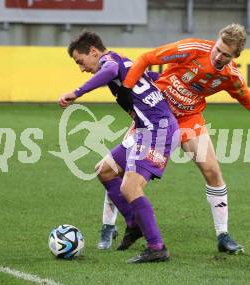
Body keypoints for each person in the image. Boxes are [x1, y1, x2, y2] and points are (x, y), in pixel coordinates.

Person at [97, 23, 250, 254]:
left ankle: (223, 235)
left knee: (212, 171)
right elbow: (146, 58)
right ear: (217, 41)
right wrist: (127, 90)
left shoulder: (231, 76)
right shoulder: (192, 49)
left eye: (226, 54)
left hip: (188, 119)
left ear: (236, 56)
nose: (219, 56)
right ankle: (108, 226)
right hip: (156, 114)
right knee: (117, 168)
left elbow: (248, 99)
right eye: (219, 49)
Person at [58, 31, 180, 263]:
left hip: (157, 130)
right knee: (104, 170)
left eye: (80, 62)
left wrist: (77, 92)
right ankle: (133, 224)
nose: (82, 68)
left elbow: (110, 71)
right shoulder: (124, 59)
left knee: (130, 187)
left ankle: (157, 247)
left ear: (94, 51)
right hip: (145, 129)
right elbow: (147, 78)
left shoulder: (110, 62)